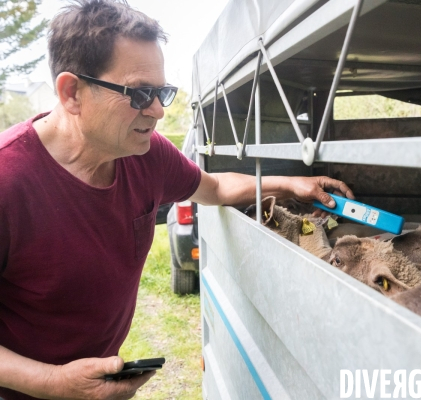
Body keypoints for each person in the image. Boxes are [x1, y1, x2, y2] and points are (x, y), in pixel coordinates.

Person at [0, 1, 354, 399]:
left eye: (161, 92)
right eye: (139, 94)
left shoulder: (146, 155)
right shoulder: (7, 180)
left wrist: (290, 184)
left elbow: (214, 187)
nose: (157, 112)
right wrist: (53, 384)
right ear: (72, 92)